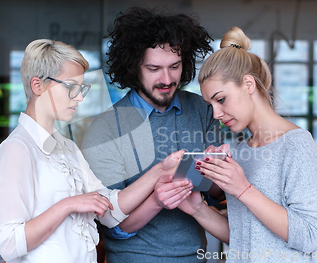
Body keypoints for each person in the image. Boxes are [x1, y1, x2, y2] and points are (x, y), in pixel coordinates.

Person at [0, 39, 192, 263]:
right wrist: (69, 204)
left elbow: (107, 210)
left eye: (81, 88)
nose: (79, 97)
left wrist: (159, 171)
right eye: (70, 87)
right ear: (38, 86)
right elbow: (7, 244)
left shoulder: (67, 148)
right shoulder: (17, 149)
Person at [81, 7, 223, 263]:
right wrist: (157, 200)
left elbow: (216, 196)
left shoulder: (204, 110)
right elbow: (112, 227)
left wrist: (214, 171)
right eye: (154, 68)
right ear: (134, 67)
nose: (167, 79)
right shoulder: (106, 130)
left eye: (175, 66)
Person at [178, 26, 317, 262]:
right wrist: (197, 208)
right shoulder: (242, 152)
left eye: (221, 99)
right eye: (211, 105)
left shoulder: (297, 145)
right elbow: (244, 237)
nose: (216, 114)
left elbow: (310, 236)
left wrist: (243, 189)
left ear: (248, 84)